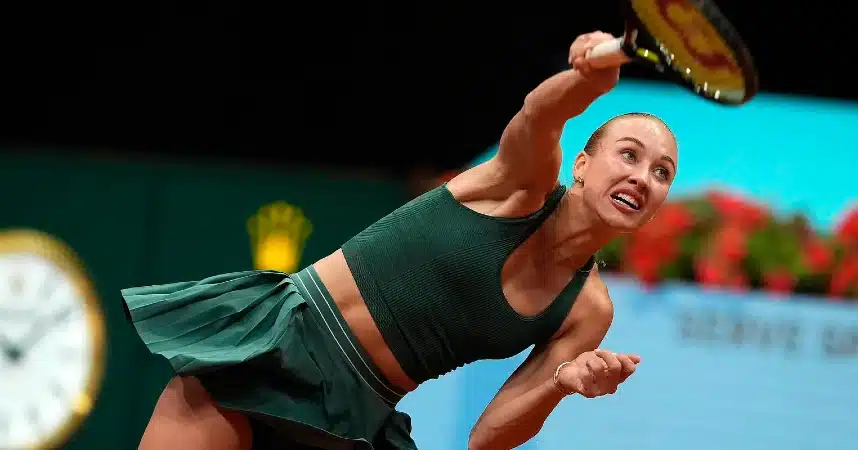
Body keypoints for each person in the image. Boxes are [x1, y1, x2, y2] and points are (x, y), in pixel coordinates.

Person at [123, 30, 678, 450]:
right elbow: (540, 113)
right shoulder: (521, 184)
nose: (641, 176)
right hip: (282, 347)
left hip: (356, 418)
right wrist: (586, 80)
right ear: (582, 164)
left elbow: (486, 439)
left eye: (661, 173)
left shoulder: (587, 310)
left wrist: (562, 381)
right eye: (628, 154)